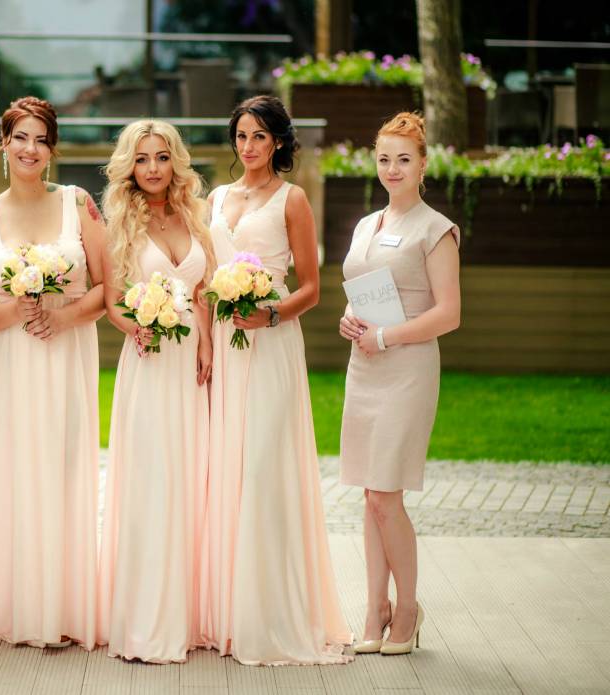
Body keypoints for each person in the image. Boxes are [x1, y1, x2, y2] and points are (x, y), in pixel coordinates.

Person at [201, 95, 353, 666]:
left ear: (280, 142)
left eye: (260, 137)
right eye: (241, 136)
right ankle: (227, 613)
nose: (248, 147)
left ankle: (270, 613)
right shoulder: (216, 198)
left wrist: (268, 315)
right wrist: (207, 341)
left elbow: (311, 288)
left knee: (263, 469)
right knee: (228, 468)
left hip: (270, 343)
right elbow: (205, 278)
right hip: (225, 343)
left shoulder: (293, 200)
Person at [0, 96, 105, 650]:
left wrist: (61, 316)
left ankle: (65, 608)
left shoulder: (79, 204)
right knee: (14, 473)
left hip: (67, 356)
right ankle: (18, 608)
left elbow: (107, 288)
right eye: (20, 138)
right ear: (3, 144)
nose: (30, 149)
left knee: (65, 470)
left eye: (41, 140)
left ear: (53, 149)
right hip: (13, 361)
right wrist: (16, 311)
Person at [338, 112, 461, 656]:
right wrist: (349, 318)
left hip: (407, 368)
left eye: (404, 160)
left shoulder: (436, 230)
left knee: (387, 495)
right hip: (364, 366)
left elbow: (449, 314)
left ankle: (408, 609)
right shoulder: (367, 225)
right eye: (384, 158)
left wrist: (385, 336)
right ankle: (374, 609)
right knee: (370, 496)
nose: (393, 168)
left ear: (423, 165)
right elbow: (361, 288)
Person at [97, 120, 214, 663]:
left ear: (175, 162)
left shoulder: (195, 214)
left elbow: (204, 290)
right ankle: (146, 621)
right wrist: (135, 327)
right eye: (141, 159)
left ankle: (188, 615)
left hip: (190, 365)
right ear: (130, 165)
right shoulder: (119, 221)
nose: (152, 168)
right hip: (148, 363)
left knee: (190, 480)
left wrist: (206, 342)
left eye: (161, 157)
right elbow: (112, 301)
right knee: (152, 483)